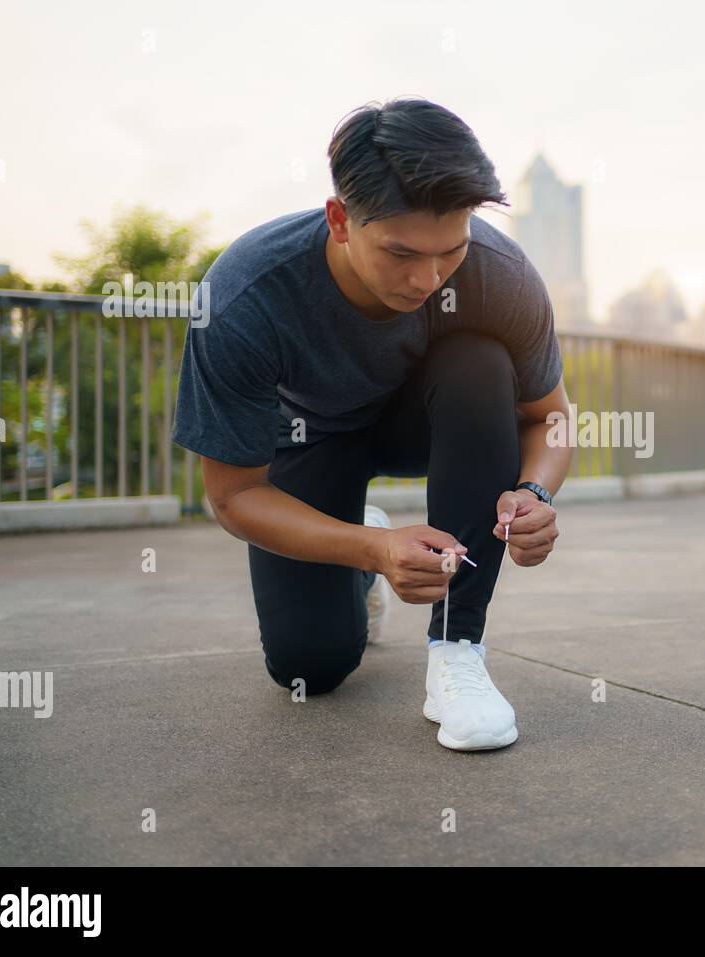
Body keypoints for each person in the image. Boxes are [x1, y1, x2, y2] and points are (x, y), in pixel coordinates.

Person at [171, 97, 572, 752]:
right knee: (309, 667)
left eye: (450, 251)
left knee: (478, 360)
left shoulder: (501, 274)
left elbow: (549, 418)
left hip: (434, 419)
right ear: (339, 220)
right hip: (313, 437)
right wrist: (372, 552)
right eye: (400, 252)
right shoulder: (244, 295)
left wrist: (536, 491)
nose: (426, 277)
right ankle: (365, 549)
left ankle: (457, 649)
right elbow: (233, 494)